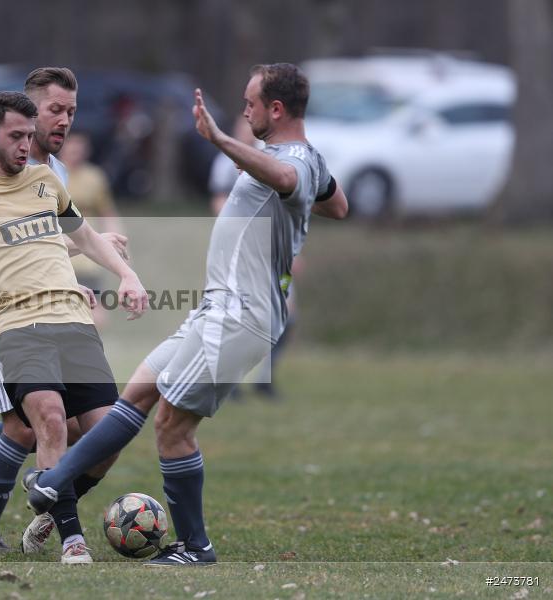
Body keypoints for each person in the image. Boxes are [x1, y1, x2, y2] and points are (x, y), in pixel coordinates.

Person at [21, 63, 348, 566]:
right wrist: (295, 200)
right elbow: (338, 205)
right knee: (139, 389)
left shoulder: (293, 159)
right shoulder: (304, 161)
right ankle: (55, 487)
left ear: (276, 110)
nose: (244, 111)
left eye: (250, 103)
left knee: (172, 424)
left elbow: (289, 178)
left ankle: (196, 547)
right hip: (214, 310)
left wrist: (220, 139)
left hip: (241, 316)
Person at [0, 90, 148, 563]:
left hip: (73, 321)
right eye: (17, 136)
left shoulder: (46, 180)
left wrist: (127, 275)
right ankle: (71, 539)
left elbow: (79, 235)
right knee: (43, 422)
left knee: (107, 436)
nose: (28, 145)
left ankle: (45, 495)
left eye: (31, 135)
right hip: (15, 324)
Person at [59, 131, 124, 328]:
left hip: (88, 255)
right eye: (72, 148)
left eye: (80, 149)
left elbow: (107, 212)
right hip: (59, 250)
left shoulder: (94, 177)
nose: (75, 153)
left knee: (96, 308)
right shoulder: (51, 173)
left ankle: (92, 349)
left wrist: (115, 240)